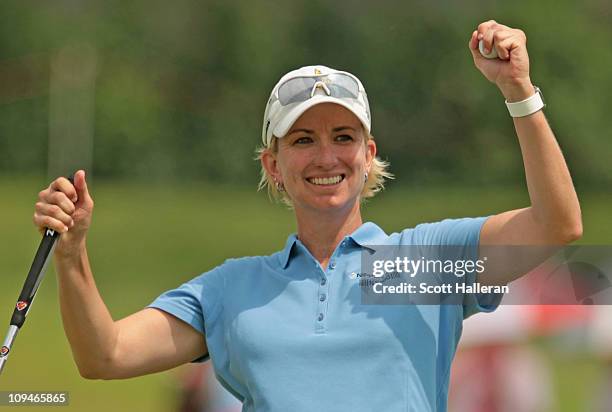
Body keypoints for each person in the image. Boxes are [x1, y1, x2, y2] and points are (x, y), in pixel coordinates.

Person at [33, 20, 582, 411]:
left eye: (344, 137)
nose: (326, 156)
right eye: (303, 139)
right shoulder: (232, 290)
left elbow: (557, 225)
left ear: (368, 156)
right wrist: (73, 254)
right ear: (273, 164)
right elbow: (104, 354)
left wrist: (519, 93)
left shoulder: (423, 262)